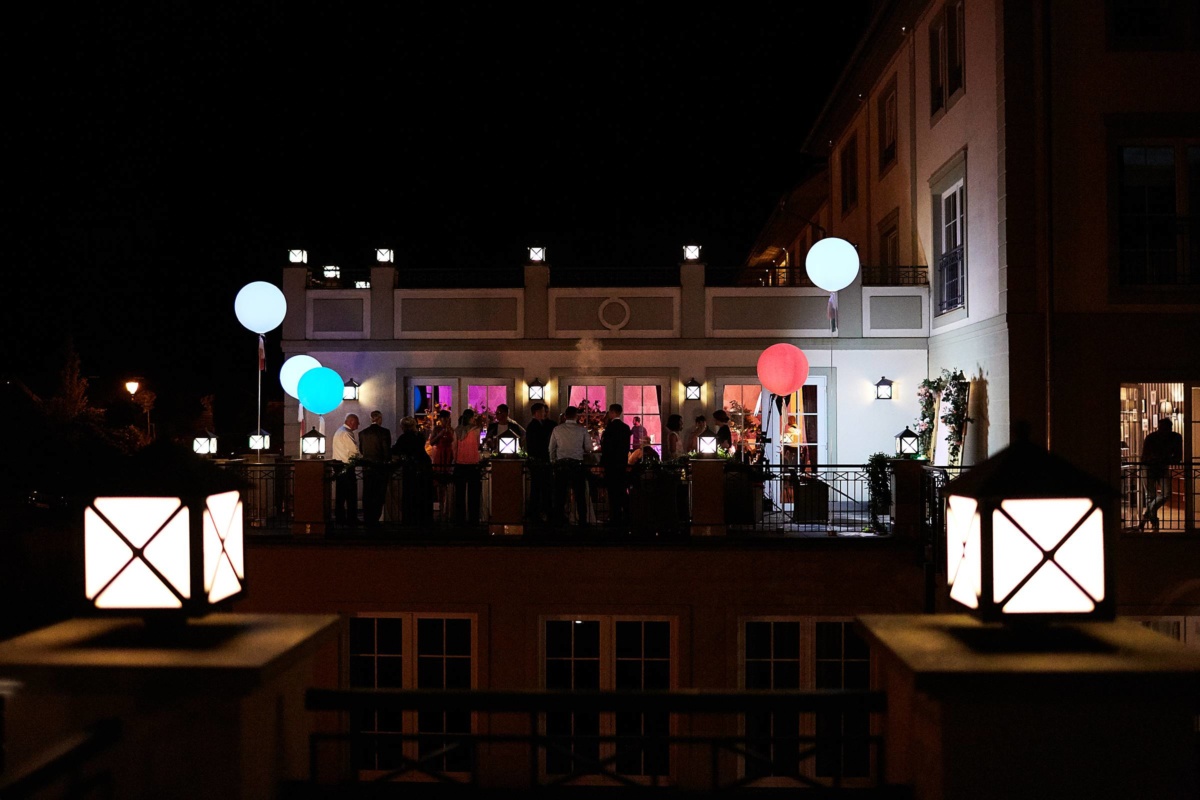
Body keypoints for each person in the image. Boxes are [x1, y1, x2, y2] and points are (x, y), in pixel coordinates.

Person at [549, 405, 591, 526]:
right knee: (580, 495)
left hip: (562, 464)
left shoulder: (557, 429)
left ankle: (559, 520)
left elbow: (551, 448)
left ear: (565, 416)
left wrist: (553, 461)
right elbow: (588, 447)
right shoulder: (582, 430)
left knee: (560, 495)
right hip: (577, 464)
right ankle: (582, 520)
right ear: (576, 416)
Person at [1140, 417, 1183, 532]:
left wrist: (1162, 459)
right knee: (1151, 495)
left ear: (1170, 428)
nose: (1162, 431)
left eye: (1164, 428)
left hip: (1160, 467)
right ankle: (1154, 522)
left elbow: (1178, 456)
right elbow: (1146, 456)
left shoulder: (1176, 438)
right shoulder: (1152, 438)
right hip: (1148, 467)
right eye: (1160, 428)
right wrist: (1165, 458)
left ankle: (1147, 514)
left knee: (1165, 493)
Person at [392, 416, 432, 525]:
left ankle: (411, 518)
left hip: (412, 468)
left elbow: (395, 450)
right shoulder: (419, 436)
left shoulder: (404, 438)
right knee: (423, 492)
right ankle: (424, 517)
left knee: (411, 493)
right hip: (423, 465)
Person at [357, 411, 392, 528]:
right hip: (380, 468)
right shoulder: (384, 432)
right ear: (380, 419)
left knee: (368, 492)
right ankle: (376, 518)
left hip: (367, 467)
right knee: (379, 493)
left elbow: (361, 450)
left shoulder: (362, 433)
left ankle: (368, 517)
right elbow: (387, 452)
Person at [600, 403, 632, 526]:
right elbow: (625, 447)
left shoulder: (610, 428)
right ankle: (627, 514)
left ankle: (615, 516)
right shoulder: (625, 427)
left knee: (612, 491)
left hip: (611, 464)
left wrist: (604, 462)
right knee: (622, 490)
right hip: (622, 463)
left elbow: (606, 447)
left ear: (612, 412)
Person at [525, 402, 557, 524]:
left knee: (540, 488)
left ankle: (540, 512)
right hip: (540, 462)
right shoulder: (534, 426)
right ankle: (538, 513)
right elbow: (538, 445)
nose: (545, 413)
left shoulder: (537, 425)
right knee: (540, 488)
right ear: (537, 412)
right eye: (543, 411)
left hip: (539, 462)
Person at [452, 409, 484, 525]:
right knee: (473, 494)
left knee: (460, 494)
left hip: (460, 464)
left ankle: (460, 518)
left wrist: (455, 459)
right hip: (473, 464)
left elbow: (454, 448)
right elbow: (478, 445)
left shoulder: (457, 431)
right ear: (471, 418)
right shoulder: (476, 430)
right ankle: (473, 518)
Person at [331, 413, 362, 526]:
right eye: (357, 422)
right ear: (351, 422)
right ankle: (351, 519)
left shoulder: (339, 431)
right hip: (346, 466)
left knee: (341, 494)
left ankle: (340, 518)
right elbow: (354, 450)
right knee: (351, 494)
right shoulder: (347, 433)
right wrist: (361, 457)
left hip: (338, 465)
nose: (358, 425)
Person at [428, 409, 455, 520]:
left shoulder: (451, 430)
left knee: (448, 481)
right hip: (439, 455)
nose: (445, 420)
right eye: (443, 418)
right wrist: (440, 434)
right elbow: (431, 442)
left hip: (448, 455)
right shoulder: (437, 429)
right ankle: (440, 505)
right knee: (439, 481)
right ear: (440, 419)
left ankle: (447, 507)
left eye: (447, 418)